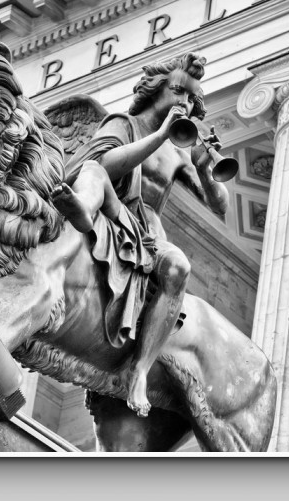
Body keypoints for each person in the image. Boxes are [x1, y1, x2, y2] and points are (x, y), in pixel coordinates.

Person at [51, 52, 229, 417]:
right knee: (93, 174)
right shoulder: (123, 123)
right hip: (109, 209)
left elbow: (220, 204)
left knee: (178, 267)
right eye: (178, 91)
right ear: (156, 90)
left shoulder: (178, 152)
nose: (184, 102)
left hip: (146, 233)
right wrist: (161, 135)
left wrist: (204, 168)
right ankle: (80, 209)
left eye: (191, 98)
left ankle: (140, 370)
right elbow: (102, 163)